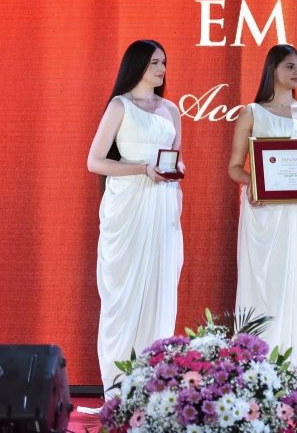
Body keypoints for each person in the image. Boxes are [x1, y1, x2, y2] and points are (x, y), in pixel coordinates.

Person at [87, 40, 184, 391]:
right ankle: (118, 386)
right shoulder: (120, 105)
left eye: (163, 62)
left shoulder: (171, 110)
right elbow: (95, 161)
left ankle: (153, 385)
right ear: (137, 65)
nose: (161, 69)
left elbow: (175, 158)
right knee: (123, 294)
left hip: (163, 204)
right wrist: (142, 168)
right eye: (154, 62)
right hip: (128, 205)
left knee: (160, 287)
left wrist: (176, 170)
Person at [228, 44, 297, 381]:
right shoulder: (252, 112)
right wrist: (253, 184)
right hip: (265, 214)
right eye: (290, 66)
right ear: (273, 69)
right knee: (266, 288)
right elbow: (235, 168)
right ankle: (258, 376)